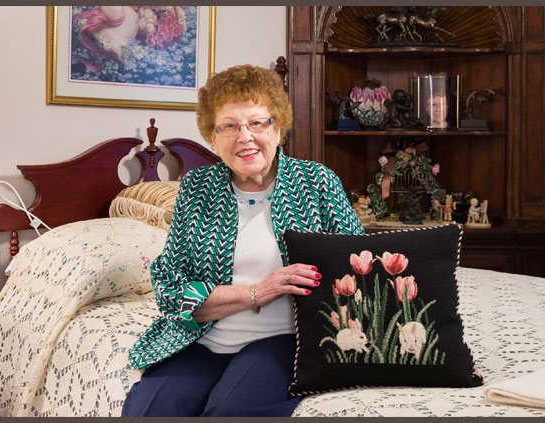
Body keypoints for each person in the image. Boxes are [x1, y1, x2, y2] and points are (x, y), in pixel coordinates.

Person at [123, 64, 364, 417]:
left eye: (257, 123)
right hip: (200, 341)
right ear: (214, 137)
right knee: (149, 410)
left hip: (284, 342)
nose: (244, 136)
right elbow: (169, 287)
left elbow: (361, 271)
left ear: (277, 128)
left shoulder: (317, 182)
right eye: (230, 126)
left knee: (229, 411)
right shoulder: (197, 188)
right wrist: (257, 292)